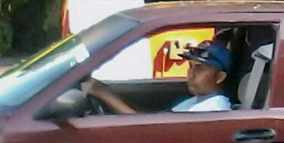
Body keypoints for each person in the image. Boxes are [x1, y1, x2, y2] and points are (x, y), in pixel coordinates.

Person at [82, 40, 233, 114]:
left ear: (219, 77)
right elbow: (156, 120)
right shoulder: (198, 101)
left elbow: (148, 130)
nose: (190, 74)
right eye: (190, 67)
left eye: (199, 69)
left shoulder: (212, 109)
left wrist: (105, 95)